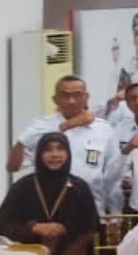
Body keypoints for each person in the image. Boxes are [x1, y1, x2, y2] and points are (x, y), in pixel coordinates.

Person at [11, 73, 122, 205]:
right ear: (55, 99)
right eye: (65, 95)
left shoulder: (104, 130)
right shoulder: (40, 127)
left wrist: (115, 213)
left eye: (77, 95)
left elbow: (113, 176)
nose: (71, 101)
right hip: (49, 209)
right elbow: (13, 165)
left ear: (86, 97)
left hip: (92, 208)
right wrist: (70, 124)